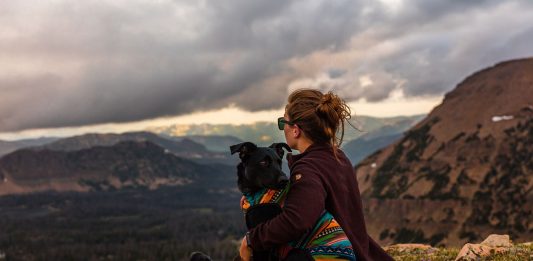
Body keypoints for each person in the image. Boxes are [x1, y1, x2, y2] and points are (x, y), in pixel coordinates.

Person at [239, 89, 393, 261]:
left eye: (283, 122)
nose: (283, 128)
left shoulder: (308, 168)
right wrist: (259, 199)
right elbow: (308, 202)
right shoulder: (336, 156)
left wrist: (252, 239)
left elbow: (297, 220)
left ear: (296, 130)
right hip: (359, 250)